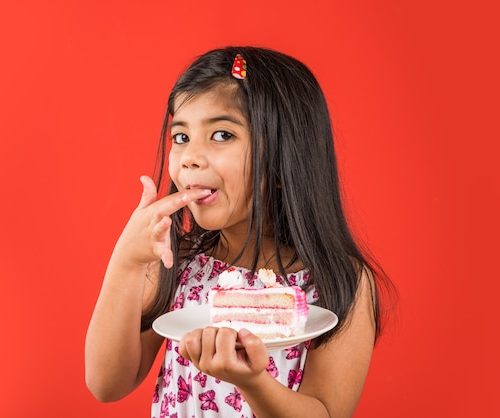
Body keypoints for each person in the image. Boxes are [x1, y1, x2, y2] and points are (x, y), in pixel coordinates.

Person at [85, 46, 394, 418]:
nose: (189, 157)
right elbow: (107, 383)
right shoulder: (176, 260)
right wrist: (127, 261)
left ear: (283, 161)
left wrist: (252, 381)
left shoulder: (340, 283)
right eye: (181, 137)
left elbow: (325, 412)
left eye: (221, 135)